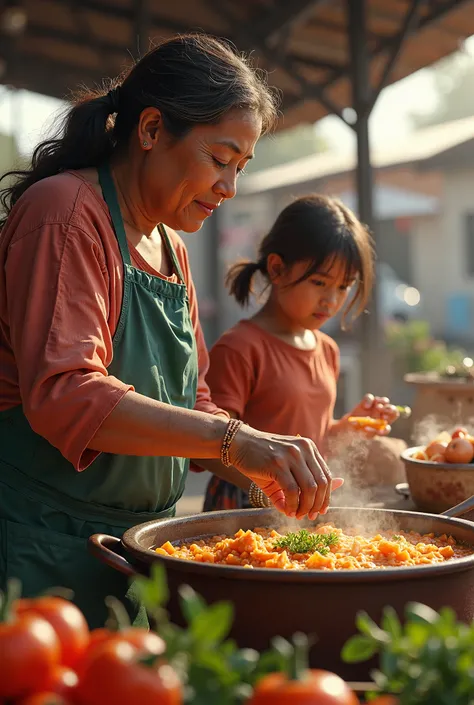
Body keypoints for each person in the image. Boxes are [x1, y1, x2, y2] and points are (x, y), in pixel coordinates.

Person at [0, 35, 340, 628]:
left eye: (241, 167)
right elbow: (67, 393)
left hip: (139, 549)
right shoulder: (66, 214)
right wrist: (237, 440)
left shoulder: (169, 248)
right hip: (43, 546)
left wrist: (271, 472)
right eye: (219, 158)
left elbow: (193, 401)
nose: (229, 188)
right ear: (152, 129)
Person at [198, 194, 399, 511]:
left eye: (344, 286)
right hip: (243, 503)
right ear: (277, 269)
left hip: (301, 504)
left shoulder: (327, 350)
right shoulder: (241, 347)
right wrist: (263, 489)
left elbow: (313, 439)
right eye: (320, 282)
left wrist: (347, 428)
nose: (331, 300)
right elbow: (209, 445)